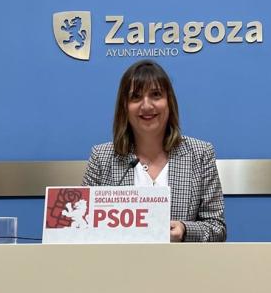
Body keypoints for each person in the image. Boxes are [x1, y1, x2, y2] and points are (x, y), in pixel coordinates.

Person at [82, 60, 226, 242]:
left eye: (156, 95)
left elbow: (217, 228)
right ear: (124, 107)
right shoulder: (101, 158)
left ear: (169, 102)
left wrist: (184, 230)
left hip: (180, 260)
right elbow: (82, 225)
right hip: (119, 260)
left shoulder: (200, 154)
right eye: (136, 97)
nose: (147, 106)